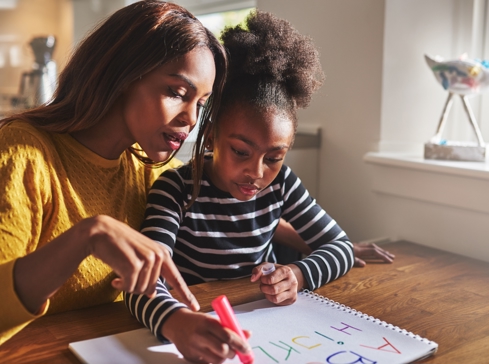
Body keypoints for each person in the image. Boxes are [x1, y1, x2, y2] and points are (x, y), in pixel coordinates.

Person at [0, 1, 252, 352]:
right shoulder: (24, 151)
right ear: (120, 77)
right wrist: (86, 236)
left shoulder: (150, 171)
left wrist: (310, 245)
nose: (191, 119)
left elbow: (216, 198)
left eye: (201, 103)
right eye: (178, 93)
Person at [126, 10, 355, 364]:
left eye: (274, 157)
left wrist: (297, 274)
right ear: (213, 133)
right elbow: (143, 280)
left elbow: (341, 248)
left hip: (266, 328)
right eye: (240, 151)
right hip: (197, 327)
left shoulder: (281, 185)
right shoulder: (176, 189)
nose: (256, 172)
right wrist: (176, 320)